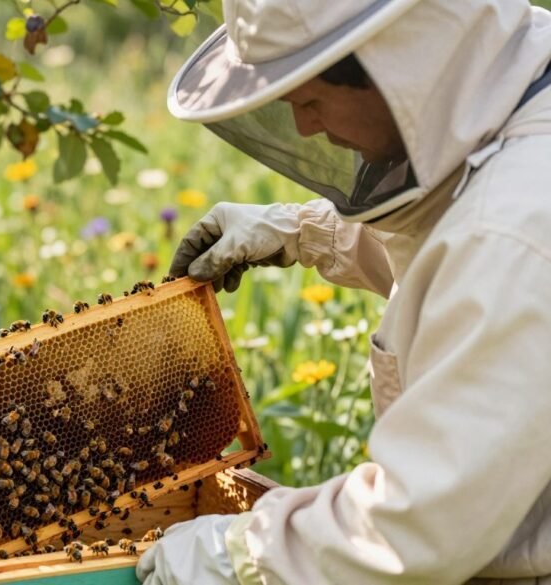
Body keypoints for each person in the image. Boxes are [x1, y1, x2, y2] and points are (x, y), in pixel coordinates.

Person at [136, 0, 551, 583]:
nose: (304, 127)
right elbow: (449, 250)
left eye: (310, 99)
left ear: (405, 68)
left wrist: (233, 555)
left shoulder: (516, 228)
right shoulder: (518, 103)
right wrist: (303, 230)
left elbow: (415, 527)